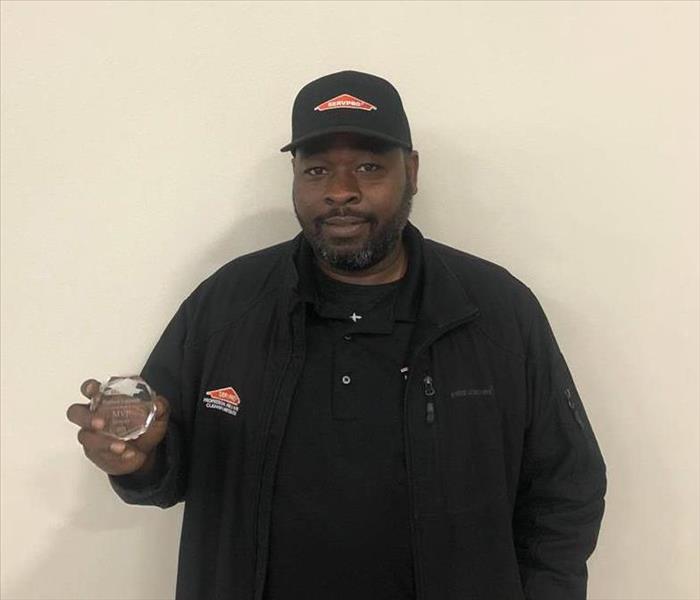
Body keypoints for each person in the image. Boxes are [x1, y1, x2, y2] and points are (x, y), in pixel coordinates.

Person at [66, 70, 607, 600]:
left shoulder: (495, 310)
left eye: (369, 167)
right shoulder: (227, 303)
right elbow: (161, 453)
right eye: (318, 170)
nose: (341, 192)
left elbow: (566, 489)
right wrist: (135, 458)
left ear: (412, 172)